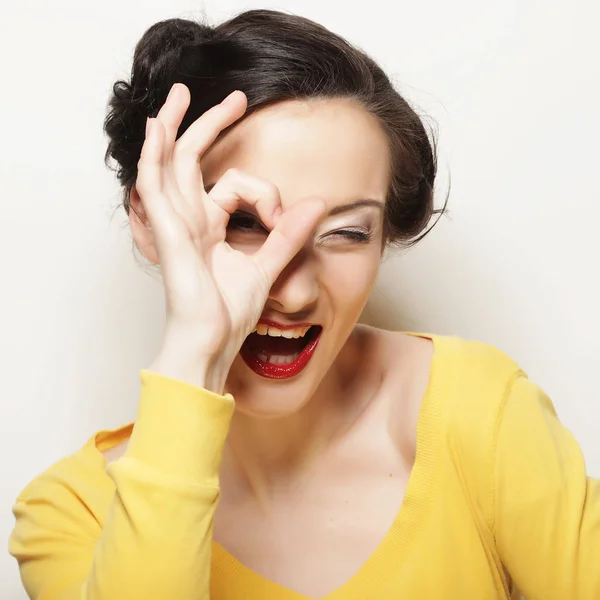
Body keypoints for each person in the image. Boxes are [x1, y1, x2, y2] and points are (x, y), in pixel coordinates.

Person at [8, 9, 599, 600]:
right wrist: (195, 353)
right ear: (149, 214)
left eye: (346, 232)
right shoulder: (73, 512)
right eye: (242, 221)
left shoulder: (481, 411)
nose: (292, 292)